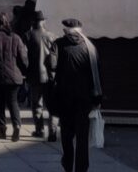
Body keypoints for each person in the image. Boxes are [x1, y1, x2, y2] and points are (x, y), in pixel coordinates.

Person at [47, 18, 104, 172]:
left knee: (66, 135)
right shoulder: (90, 47)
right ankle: (81, 168)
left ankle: (67, 164)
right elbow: (98, 74)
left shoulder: (58, 44)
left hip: (65, 98)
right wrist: (98, 99)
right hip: (84, 99)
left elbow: (51, 65)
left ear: (65, 30)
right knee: (82, 137)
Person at [0, 12, 29, 140]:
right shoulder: (15, 38)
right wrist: (25, 72)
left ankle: (2, 129)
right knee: (13, 102)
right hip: (14, 77)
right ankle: (17, 125)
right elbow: (23, 59)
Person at [19, 7, 55, 139]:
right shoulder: (51, 36)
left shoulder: (27, 36)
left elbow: (23, 56)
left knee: (36, 104)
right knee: (52, 105)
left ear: (33, 22)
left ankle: (39, 130)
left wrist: (25, 71)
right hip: (50, 76)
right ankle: (52, 131)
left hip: (34, 75)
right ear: (43, 21)